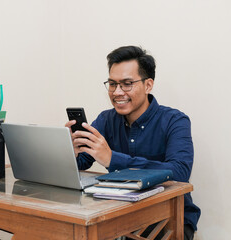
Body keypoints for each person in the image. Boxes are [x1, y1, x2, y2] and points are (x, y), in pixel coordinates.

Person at [65, 46, 200, 240]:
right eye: (112, 84)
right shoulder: (106, 119)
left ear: (148, 85)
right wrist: (69, 150)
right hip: (118, 216)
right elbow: (82, 161)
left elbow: (179, 173)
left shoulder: (175, 120)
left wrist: (112, 159)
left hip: (168, 220)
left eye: (127, 84)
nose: (117, 92)